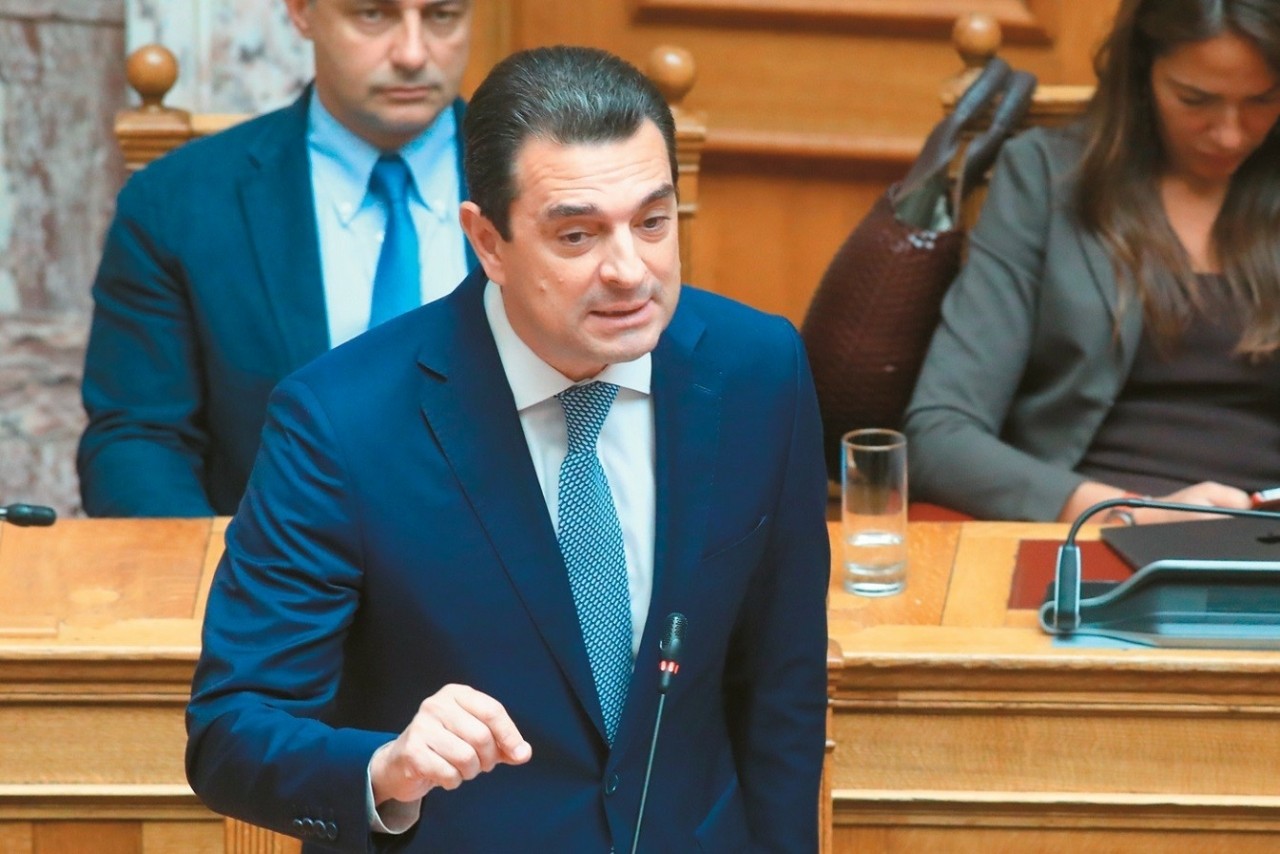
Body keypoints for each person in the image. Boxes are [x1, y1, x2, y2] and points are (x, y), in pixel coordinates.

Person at [185, 45, 830, 852]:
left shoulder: (758, 371)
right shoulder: (342, 423)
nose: (630, 271)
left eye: (652, 222)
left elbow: (782, 688)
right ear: (487, 241)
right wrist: (386, 768)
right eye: (577, 235)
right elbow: (232, 730)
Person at [78, 0, 477, 517]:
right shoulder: (178, 203)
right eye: (373, 15)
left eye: (442, 15)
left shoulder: (553, 191)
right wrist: (222, 568)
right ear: (302, 11)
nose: (413, 54)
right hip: (266, 562)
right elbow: (139, 441)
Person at [905, 0, 1280, 525]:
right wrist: (1125, 513)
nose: (1230, 134)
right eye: (1195, 100)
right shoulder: (1047, 177)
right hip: (1085, 530)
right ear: (1141, 73)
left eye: (1263, 100)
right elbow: (939, 435)